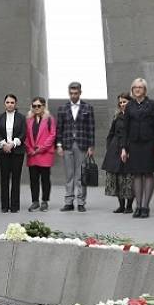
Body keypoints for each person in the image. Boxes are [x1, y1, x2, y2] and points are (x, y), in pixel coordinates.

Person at [120, 78, 154, 218]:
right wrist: (123, 148)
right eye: (135, 87)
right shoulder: (129, 106)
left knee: (148, 173)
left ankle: (146, 206)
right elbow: (125, 129)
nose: (137, 89)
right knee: (137, 174)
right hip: (133, 144)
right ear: (132, 90)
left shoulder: (152, 104)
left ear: (145, 89)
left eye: (140, 87)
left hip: (149, 144)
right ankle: (138, 206)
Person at [55, 82, 95, 212]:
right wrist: (59, 145)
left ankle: (81, 202)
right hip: (67, 144)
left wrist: (91, 146)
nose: (73, 95)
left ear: (80, 93)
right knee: (69, 175)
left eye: (76, 93)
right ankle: (69, 202)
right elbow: (59, 128)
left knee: (81, 175)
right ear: (69, 93)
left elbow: (91, 129)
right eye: (71, 93)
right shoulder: (62, 108)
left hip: (82, 145)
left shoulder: (88, 108)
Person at [0, 94, 27, 213]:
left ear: (15, 104)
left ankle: (14, 206)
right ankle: (4, 205)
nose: (10, 104)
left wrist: (13, 144)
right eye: (7, 102)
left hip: (17, 151)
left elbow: (23, 133)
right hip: (3, 152)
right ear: (4, 104)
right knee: (4, 177)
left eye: (12, 102)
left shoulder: (22, 118)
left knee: (16, 178)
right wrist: (4, 145)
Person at [102, 93, 134, 214]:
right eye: (120, 102)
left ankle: (129, 206)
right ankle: (121, 206)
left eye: (124, 102)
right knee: (116, 178)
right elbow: (111, 133)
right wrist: (109, 146)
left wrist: (129, 150)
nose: (122, 104)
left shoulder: (134, 117)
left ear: (130, 102)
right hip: (114, 150)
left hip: (128, 149)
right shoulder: (117, 116)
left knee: (128, 178)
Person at [25, 97, 56, 212]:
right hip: (32, 154)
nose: (36, 108)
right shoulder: (28, 119)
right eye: (34, 106)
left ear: (44, 106)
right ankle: (35, 201)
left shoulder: (49, 119)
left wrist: (41, 148)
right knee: (33, 179)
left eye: (39, 105)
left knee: (45, 179)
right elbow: (26, 137)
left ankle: (44, 201)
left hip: (45, 154)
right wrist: (30, 149)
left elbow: (52, 135)